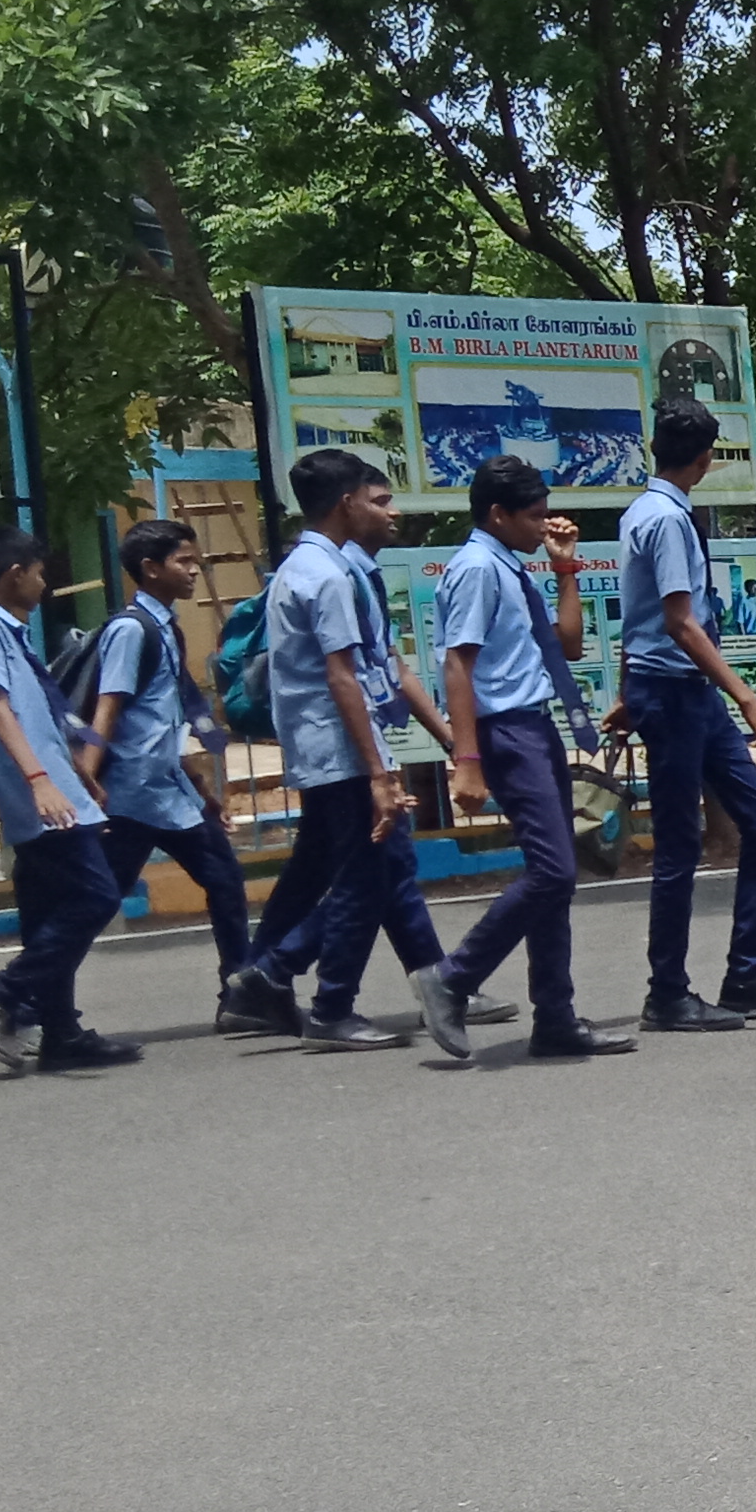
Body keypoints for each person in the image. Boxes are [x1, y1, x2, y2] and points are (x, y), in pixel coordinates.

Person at [218, 449, 462, 1054]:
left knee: (369, 871)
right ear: (345, 503)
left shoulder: (301, 566)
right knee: (367, 878)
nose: (387, 509)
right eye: (373, 498)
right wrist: (379, 770)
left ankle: (289, 980)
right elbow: (342, 676)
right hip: (340, 749)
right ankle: (308, 992)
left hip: (322, 746)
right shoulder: (326, 577)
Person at [413, 456, 640, 1060]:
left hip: (534, 726)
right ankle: (452, 977)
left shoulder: (510, 567)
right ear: (498, 514)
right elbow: (457, 664)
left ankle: (556, 1016)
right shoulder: (476, 570)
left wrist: (565, 569)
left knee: (557, 878)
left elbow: (566, 644)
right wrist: (466, 759)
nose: (545, 526)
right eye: (534, 516)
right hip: (503, 732)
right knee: (553, 871)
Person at [609, 397, 756, 1033]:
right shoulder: (665, 520)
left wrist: (623, 686)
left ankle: (746, 974)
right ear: (706, 458)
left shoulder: (650, 510)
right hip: (674, 691)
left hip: (680, 689)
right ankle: (667, 992)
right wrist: (747, 697)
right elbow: (677, 620)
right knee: (679, 845)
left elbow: (632, 613)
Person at [0, 528, 135, 1073]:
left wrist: (75, 771)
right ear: (14, 574)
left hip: (53, 787)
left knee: (50, 908)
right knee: (95, 897)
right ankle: (3, 995)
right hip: (40, 798)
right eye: (38, 571)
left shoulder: (5, 629)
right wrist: (39, 781)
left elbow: (35, 712)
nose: (44, 581)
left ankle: (61, 1031)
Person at [81, 520, 262, 1028]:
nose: (194, 571)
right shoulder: (130, 630)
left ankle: (240, 994)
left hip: (163, 789)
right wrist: (88, 780)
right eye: (183, 561)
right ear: (150, 569)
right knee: (95, 901)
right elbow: (109, 707)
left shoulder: (165, 628)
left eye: (194, 560)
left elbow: (157, 722)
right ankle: (19, 996)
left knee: (223, 879)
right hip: (130, 793)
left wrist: (198, 785)